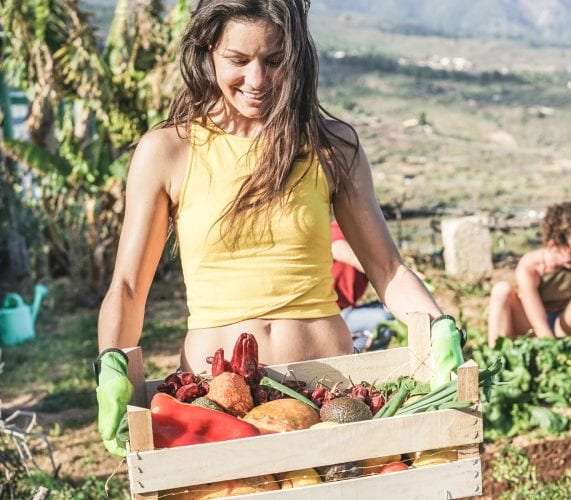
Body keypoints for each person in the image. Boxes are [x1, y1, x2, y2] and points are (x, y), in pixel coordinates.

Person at [94, 0, 463, 457]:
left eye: (274, 60)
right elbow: (129, 287)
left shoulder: (332, 147)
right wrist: (111, 363)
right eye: (238, 60)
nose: (257, 80)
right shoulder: (168, 151)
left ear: (297, 56)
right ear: (208, 52)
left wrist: (439, 327)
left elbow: (387, 268)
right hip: (216, 406)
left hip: (332, 398)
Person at [487, 202, 571, 347]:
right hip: (530, 324)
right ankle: (497, 352)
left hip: (561, 323)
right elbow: (538, 322)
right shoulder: (531, 266)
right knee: (501, 290)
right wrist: (552, 351)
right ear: (553, 244)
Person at [330, 220, 393, 351]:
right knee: (383, 320)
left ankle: (359, 346)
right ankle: (358, 353)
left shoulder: (373, 248)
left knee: (392, 312)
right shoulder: (343, 225)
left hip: (348, 311)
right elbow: (337, 247)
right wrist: (374, 268)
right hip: (330, 316)